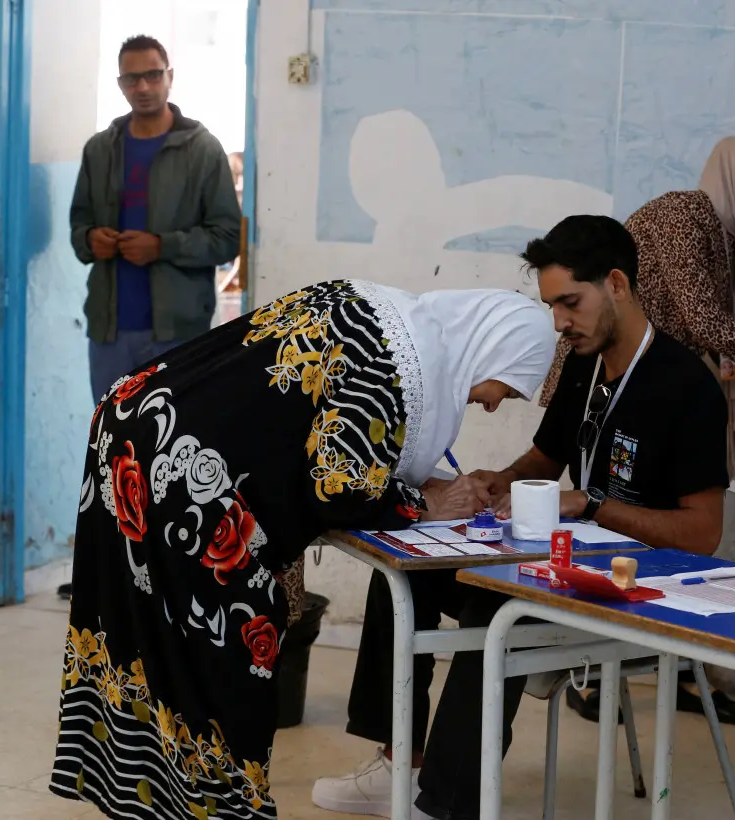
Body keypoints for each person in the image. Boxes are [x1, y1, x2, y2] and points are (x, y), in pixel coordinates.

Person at [49, 279, 556, 820]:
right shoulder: (393, 368)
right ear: (497, 348)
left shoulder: (387, 319)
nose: (495, 405)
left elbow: (333, 442)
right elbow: (339, 491)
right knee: (215, 659)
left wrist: (417, 490)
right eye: (511, 388)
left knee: (140, 637)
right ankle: (214, 808)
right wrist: (427, 507)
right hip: (182, 474)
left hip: (137, 426)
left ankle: (142, 795)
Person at [312, 215, 731, 820]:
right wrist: (495, 481)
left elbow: (703, 534)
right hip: (570, 560)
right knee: (401, 569)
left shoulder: (687, 385)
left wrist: (591, 505)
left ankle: (448, 804)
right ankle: (399, 761)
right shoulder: (585, 364)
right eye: (552, 306)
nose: (559, 322)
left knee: (495, 607)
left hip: (638, 584)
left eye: (570, 303)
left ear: (617, 283)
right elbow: (547, 454)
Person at [541, 135, 735, 462]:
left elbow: (717, 333)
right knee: (599, 488)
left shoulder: (730, 238)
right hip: (604, 376)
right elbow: (704, 321)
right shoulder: (682, 213)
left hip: (649, 384)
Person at [70, 34, 241, 403]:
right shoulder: (100, 149)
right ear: (120, 84)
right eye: (131, 78)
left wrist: (162, 247)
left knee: (175, 444)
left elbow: (227, 238)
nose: (143, 86)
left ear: (170, 76)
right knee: (112, 443)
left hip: (178, 332)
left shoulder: (202, 149)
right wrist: (89, 240)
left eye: (153, 74)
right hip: (109, 332)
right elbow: (78, 227)